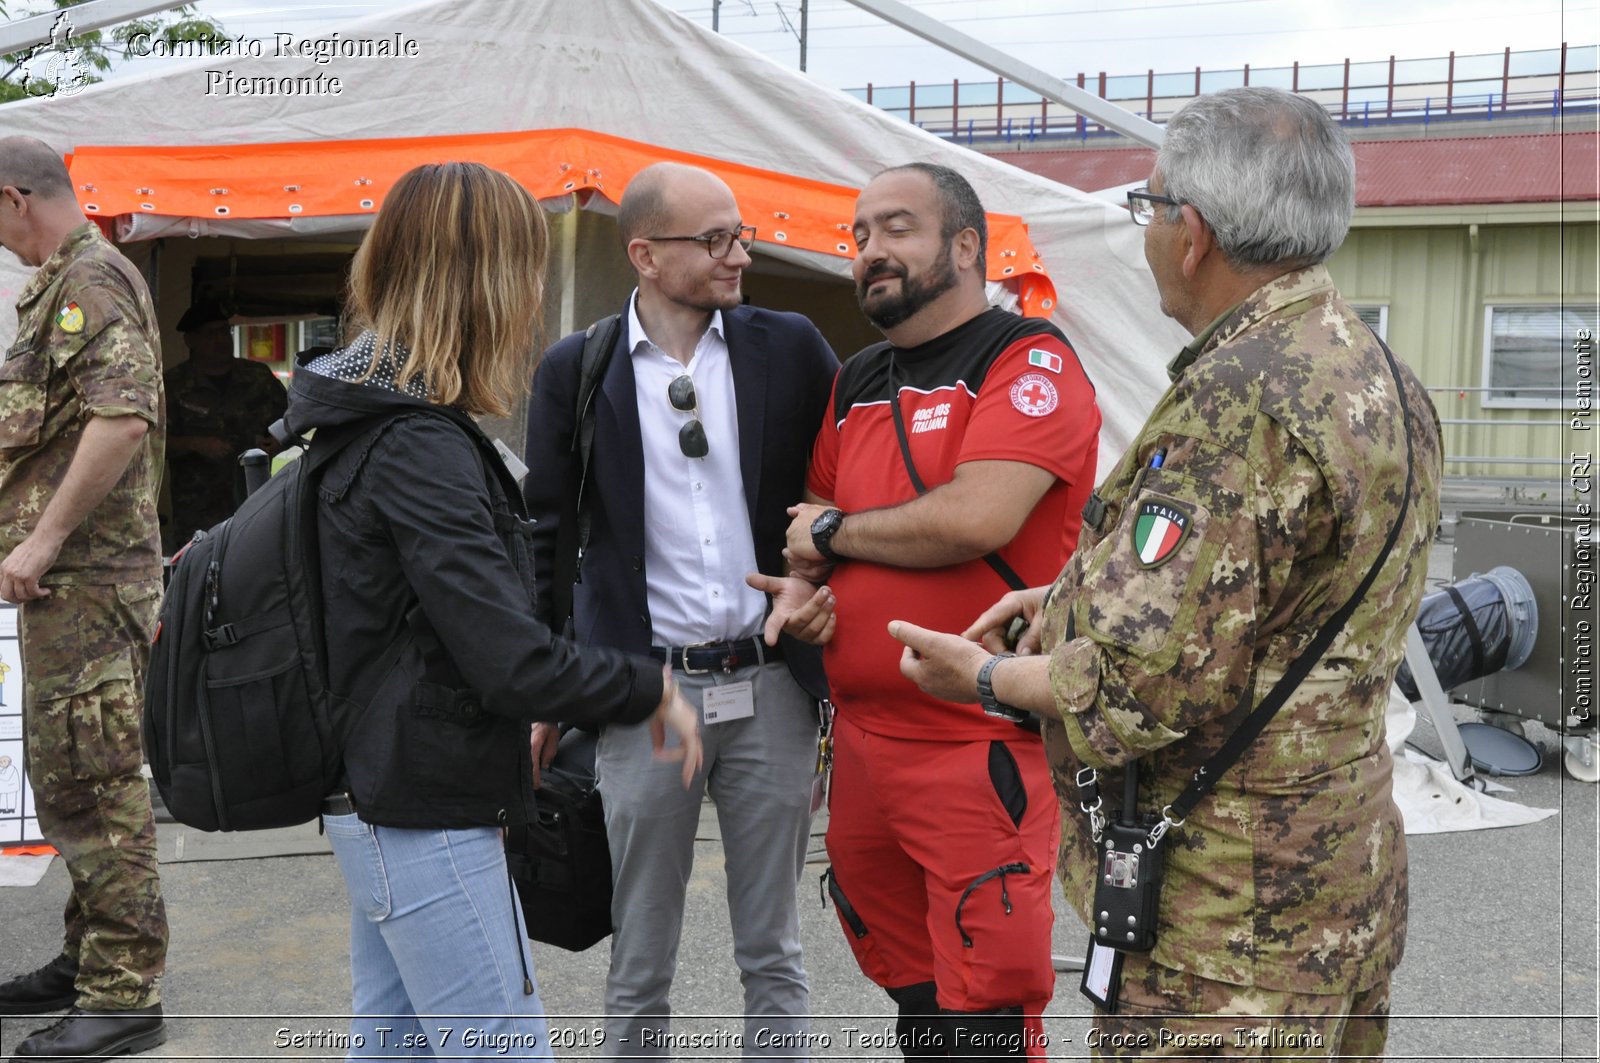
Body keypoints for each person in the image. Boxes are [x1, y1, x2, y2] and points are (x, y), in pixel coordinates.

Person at [890, 87, 1443, 1059]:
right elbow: (1276, 598)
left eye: (1148, 209)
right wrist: (1065, 596)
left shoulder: (1237, 402)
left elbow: (1144, 682)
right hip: (1342, 887)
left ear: (1190, 234)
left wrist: (979, 677)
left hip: (1226, 934)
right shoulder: (1375, 371)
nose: (1145, 231)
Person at [280, 161, 703, 1060]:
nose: (537, 290)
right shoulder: (415, 443)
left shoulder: (360, 417)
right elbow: (505, 655)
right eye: (527, 263)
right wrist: (647, 686)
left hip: (384, 799)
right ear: (489, 278)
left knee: (394, 1044)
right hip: (421, 805)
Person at [778, 162, 1101, 1059]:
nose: (871, 251)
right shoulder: (857, 377)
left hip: (978, 743)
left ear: (965, 246)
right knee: (917, 996)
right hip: (865, 745)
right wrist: (808, 595)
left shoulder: (1027, 357)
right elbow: (813, 529)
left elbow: (976, 516)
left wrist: (834, 536)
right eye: (858, 235)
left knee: (988, 1006)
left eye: (896, 229)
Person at [523, 161, 839, 1058]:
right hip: (646, 693)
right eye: (714, 239)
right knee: (641, 948)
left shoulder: (791, 346)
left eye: (741, 233)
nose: (739, 253)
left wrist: (827, 591)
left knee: (773, 945)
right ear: (645, 255)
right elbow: (548, 535)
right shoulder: (576, 369)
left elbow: (840, 496)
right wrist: (550, 688)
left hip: (772, 682)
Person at [0, 136, 169, 1061]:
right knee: (71, 776)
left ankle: (123, 993)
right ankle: (84, 960)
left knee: (95, 785)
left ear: (15, 196)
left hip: (88, 582)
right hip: (77, 586)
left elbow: (122, 416)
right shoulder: (74, 276)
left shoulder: (87, 280)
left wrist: (44, 536)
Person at [161, 299, 287, 550]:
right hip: (197, 512)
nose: (221, 340)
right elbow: (154, 442)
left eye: (224, 331)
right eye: (211, 334)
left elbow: (292, 420)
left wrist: (279, 441)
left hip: (253, 501)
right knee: (199, 578)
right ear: (191, 341)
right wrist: (195, 444)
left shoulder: (257, 377)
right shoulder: (174, 385)